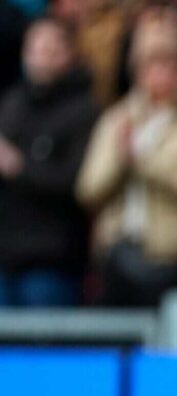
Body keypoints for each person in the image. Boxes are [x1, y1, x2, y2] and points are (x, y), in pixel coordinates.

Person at [76, 18, 177, 306]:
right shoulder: (117, 117)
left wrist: (144, 163)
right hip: (115, 257)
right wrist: (120, 161)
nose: (165, 73)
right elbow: (88, 189)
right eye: (155, 64)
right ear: (138, 70)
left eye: (174, 64)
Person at [0, 18, 99, 306]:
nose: (41, 58)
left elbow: (79, 183)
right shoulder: (11, 104)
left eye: (51, 50)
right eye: (35, 49)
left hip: (53, 259)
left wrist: (20, 167)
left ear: (70, 54)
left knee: (46, 330)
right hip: (5, 253)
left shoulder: (85, 111)